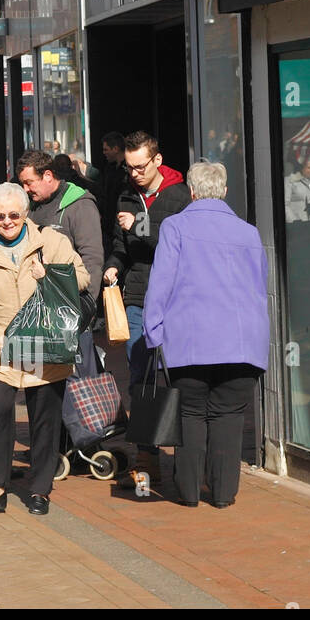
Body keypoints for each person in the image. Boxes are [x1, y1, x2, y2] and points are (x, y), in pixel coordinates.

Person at [0, 183, 90, 516]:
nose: (7, 221)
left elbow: (82, 277)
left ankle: (40, 489)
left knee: (45, 418)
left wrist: (50, 273)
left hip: (44, 342)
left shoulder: (51, 241)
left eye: (13, 215)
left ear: (25, 214)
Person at [143, 162, 270, 508]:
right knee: (229, 416)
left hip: (190, 343)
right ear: (225, 191)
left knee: (190, 414)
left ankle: (187, 493)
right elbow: (260, 287)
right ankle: (224, 494)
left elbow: (161, 283)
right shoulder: (248, 232)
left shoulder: (175, 227)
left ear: (193, 192)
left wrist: (152, 331)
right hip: (242, 344)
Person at [103, 130, 190, 483]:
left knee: (181, 375)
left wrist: (139, 227)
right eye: (129, 167)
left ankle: (185, 450)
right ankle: (146, 454)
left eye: (140, 166)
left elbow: (178, 245)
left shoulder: (181, 196)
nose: (134, 173)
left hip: (177, 298)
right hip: (138, 295)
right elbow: (119, 245)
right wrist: (114, 265)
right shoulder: (126, 195)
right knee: (139, 374)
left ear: (157, 160)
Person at [17, 149, 104, 310]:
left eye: (29, 182)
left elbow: (92, 260)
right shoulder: (30, 206)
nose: (25, 189)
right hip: (34, 309)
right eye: (22, 183)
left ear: (48, 176)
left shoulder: (80, 205)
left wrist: (86, 308)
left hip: (70, 307)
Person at [98, 131, 128, 257]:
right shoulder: (109, 168)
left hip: (122, 223)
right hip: (109, 224)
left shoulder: (128, 171)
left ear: (115, 149)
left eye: (106, 149)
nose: (104, 153)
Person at [285, 159, 310, 223]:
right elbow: (285, 205)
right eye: (308, 168)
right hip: (299, 223)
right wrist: (294, 220)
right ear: (302, 167)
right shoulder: (290, 181)